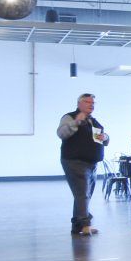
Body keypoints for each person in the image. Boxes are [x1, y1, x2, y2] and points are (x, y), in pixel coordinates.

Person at [56, 92, 108, 236]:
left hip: (91, 163)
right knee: (82, 194)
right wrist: (76, 122)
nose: (90, 105)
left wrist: (105, 137)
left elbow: (101, 138)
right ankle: (85, 225)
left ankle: (77, 226)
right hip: (75, 161)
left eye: (92, 103)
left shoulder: (93, 121)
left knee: (83, 195)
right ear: (79, 103)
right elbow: (61, 133)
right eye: (87, 102)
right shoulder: (70, 117)